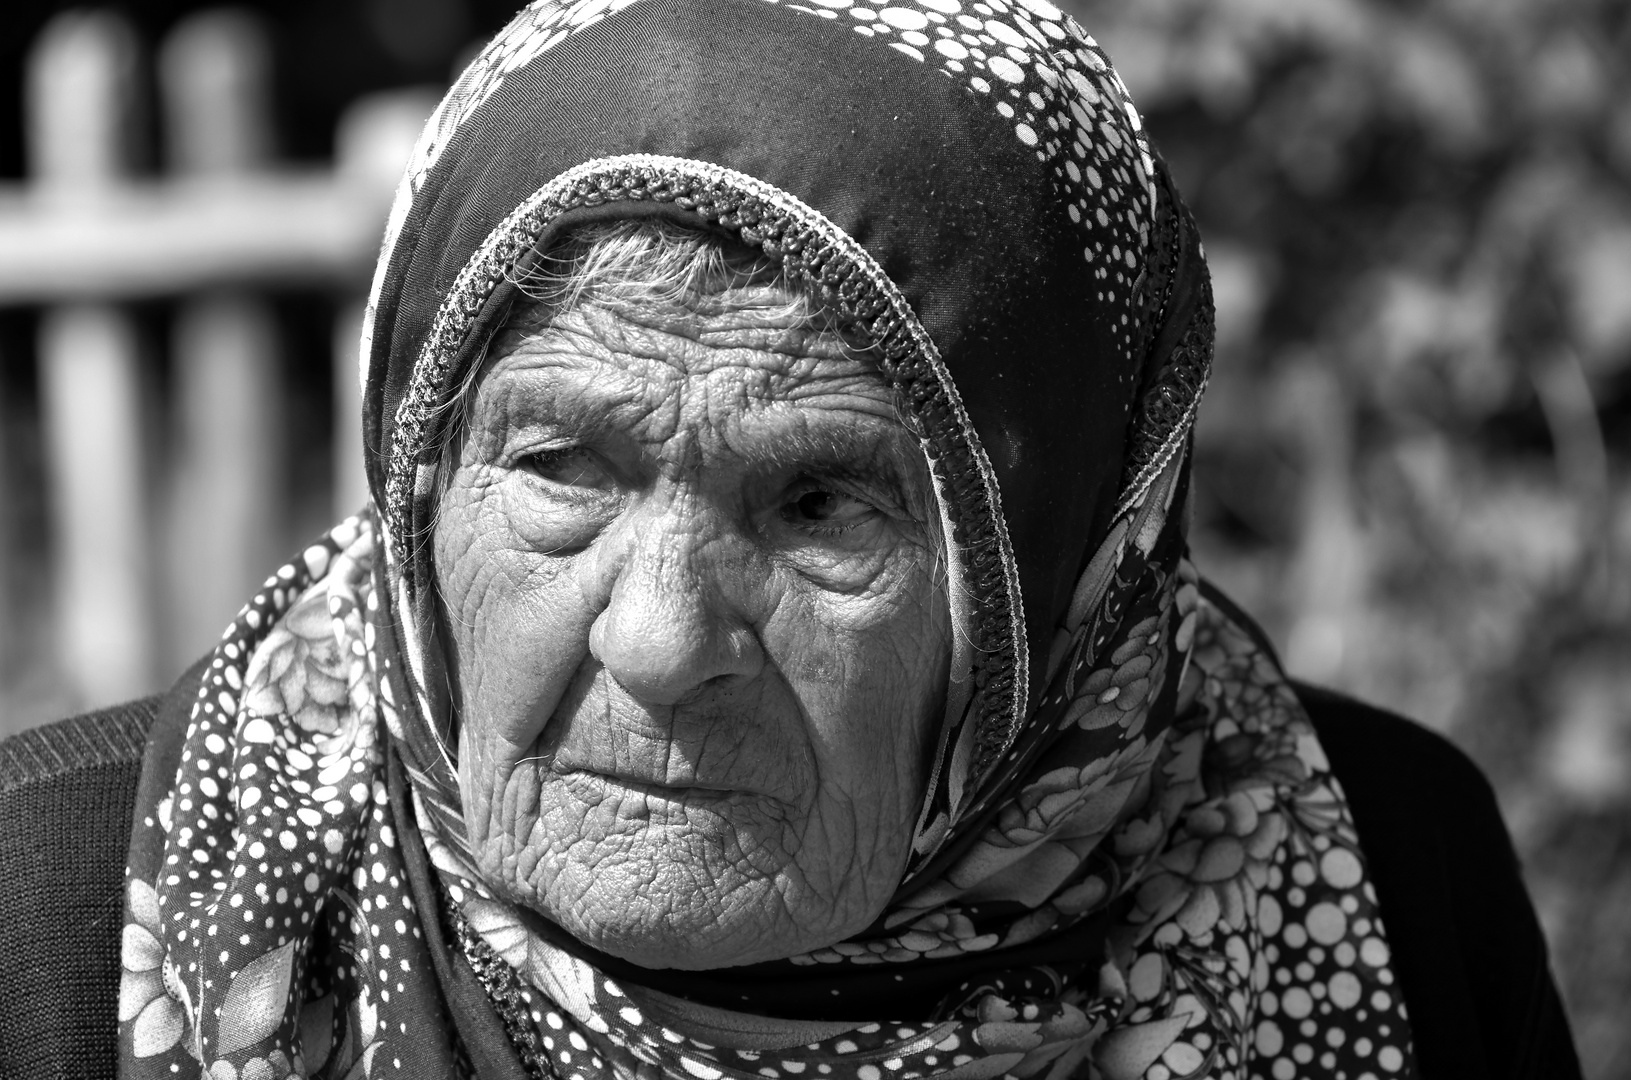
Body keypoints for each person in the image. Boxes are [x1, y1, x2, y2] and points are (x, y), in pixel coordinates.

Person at [0, 1, 1581, 1077]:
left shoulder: (1378, 865)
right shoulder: (45, 936)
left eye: (823, 503)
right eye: (562, 468)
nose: (660, 640)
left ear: (1069, 571)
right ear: (417, 479)